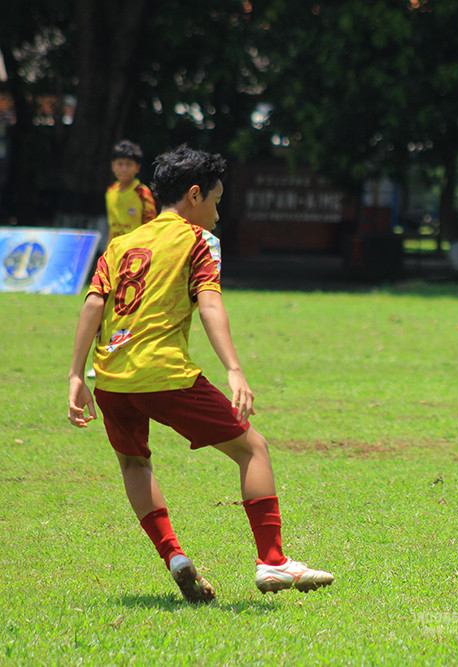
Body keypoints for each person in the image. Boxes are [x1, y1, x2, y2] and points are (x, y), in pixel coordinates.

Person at [67, 145, 333, 603]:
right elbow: (209, 303)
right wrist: (234, 369)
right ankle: (272, 561)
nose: (216, 211)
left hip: (110, 376)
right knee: (253, 450)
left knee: (134, 462)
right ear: (194, 196)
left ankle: (173, 555)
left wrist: (75, 375)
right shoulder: (198, 240)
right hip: (165, 376)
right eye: (215, 199)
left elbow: (94, 303)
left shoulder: (121, 243)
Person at [106, 140, 157, 240]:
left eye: (129, 164)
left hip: (135, 251)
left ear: (137, 168)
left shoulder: (142, 193)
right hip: (116, 250)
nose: (124, 169)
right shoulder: (110, 192)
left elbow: (151, 227)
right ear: (113, 166)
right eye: (120, 164)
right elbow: (112, 228)